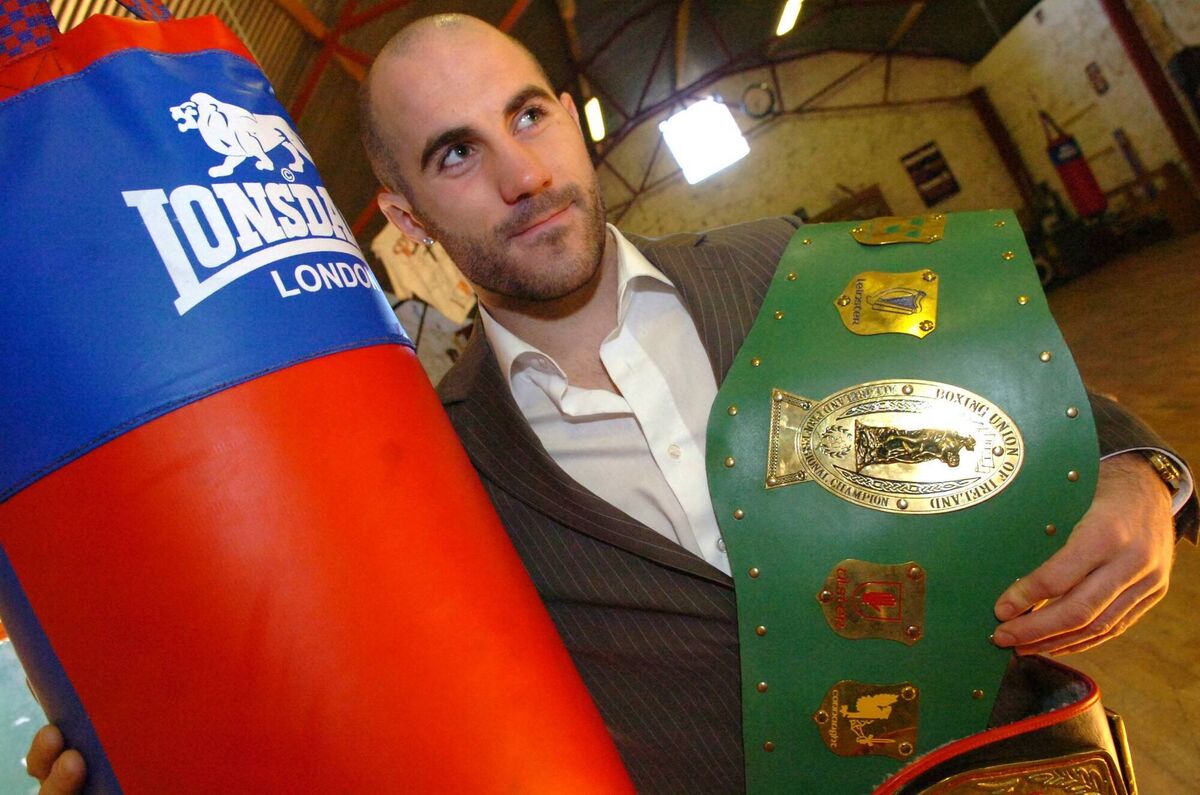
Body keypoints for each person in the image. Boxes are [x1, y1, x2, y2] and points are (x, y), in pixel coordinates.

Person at [29, 13, 1196, 794]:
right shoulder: (438, 479)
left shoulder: (788, 264)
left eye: (529, 115)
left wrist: (1150, 480)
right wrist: (135, 736)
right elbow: (328, 696)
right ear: (405, 217)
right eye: (454, 154)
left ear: (571, 123)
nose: (521, 175)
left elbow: (1050, 408)